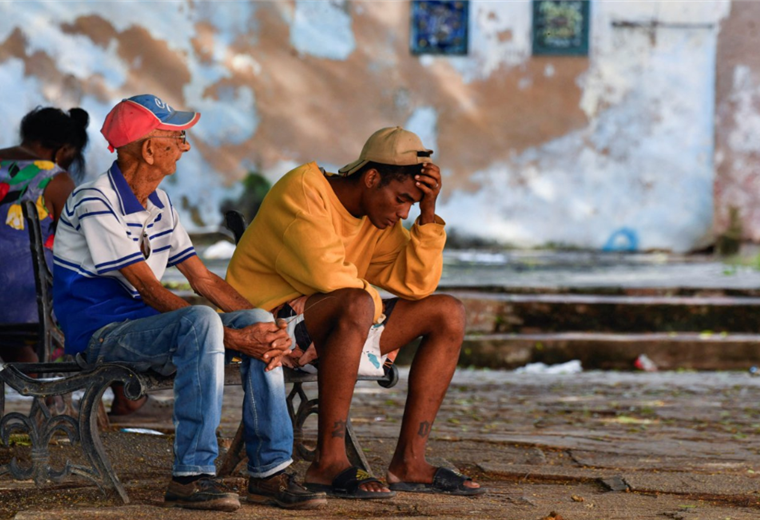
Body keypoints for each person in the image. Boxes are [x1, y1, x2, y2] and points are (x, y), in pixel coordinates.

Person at [52, 94, 326, 511]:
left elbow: (202, 278)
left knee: (255, 319)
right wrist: (234, 337)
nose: (186, 146)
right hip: (101, 335)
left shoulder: (159, 203)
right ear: (149, 148)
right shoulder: (96, 199)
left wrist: (268, 328)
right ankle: (191, 475)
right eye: (178, 137)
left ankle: (270, 472)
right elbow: (147, 288)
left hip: (148, 330)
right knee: (202, 322)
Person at [226, 127, 485, 498]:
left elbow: (417, 285)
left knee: (448, 312)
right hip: (268, 328)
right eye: (401, 199)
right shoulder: (304, 189)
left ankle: (409, 463)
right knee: (356, 301)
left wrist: (428, 216)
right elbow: (328, 275)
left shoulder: (378, 219)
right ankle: (329, 462)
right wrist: (367, 312)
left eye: (411, 204)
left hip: (335, 325)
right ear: (371, 177)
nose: (402, 212)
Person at [0, 106, 88, 364]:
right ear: (62, 151)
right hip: (26, 306)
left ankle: (46, 388)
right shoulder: (54, 179)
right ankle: (124, 394)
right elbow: (77, 247)